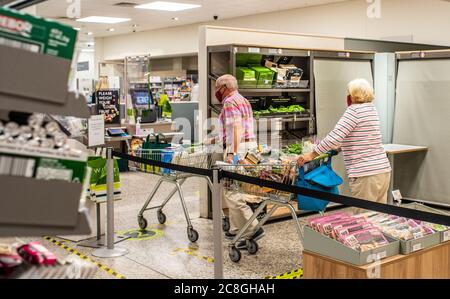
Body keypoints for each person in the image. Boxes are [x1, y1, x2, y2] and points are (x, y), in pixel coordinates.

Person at [297, 79, 392, 212]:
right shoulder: (371, 109)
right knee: (379, 216)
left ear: (353, 96)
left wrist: (312, 154)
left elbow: (334, 137)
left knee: (363, 217)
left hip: (365, 174)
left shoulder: (354, 111)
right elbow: (361, 136)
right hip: (382, 170)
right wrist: (340, 148)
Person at [215, 74, 265, 246]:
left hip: (238, 148)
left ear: (224, 87)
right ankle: (239, 231)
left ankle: (252, 228)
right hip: (250, 147)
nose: (216, 91)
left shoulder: (229, 101)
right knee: (241, 190)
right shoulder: (243, 100)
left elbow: (236, 128)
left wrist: (231, 153)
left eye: (217, 87)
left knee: (231, 190)